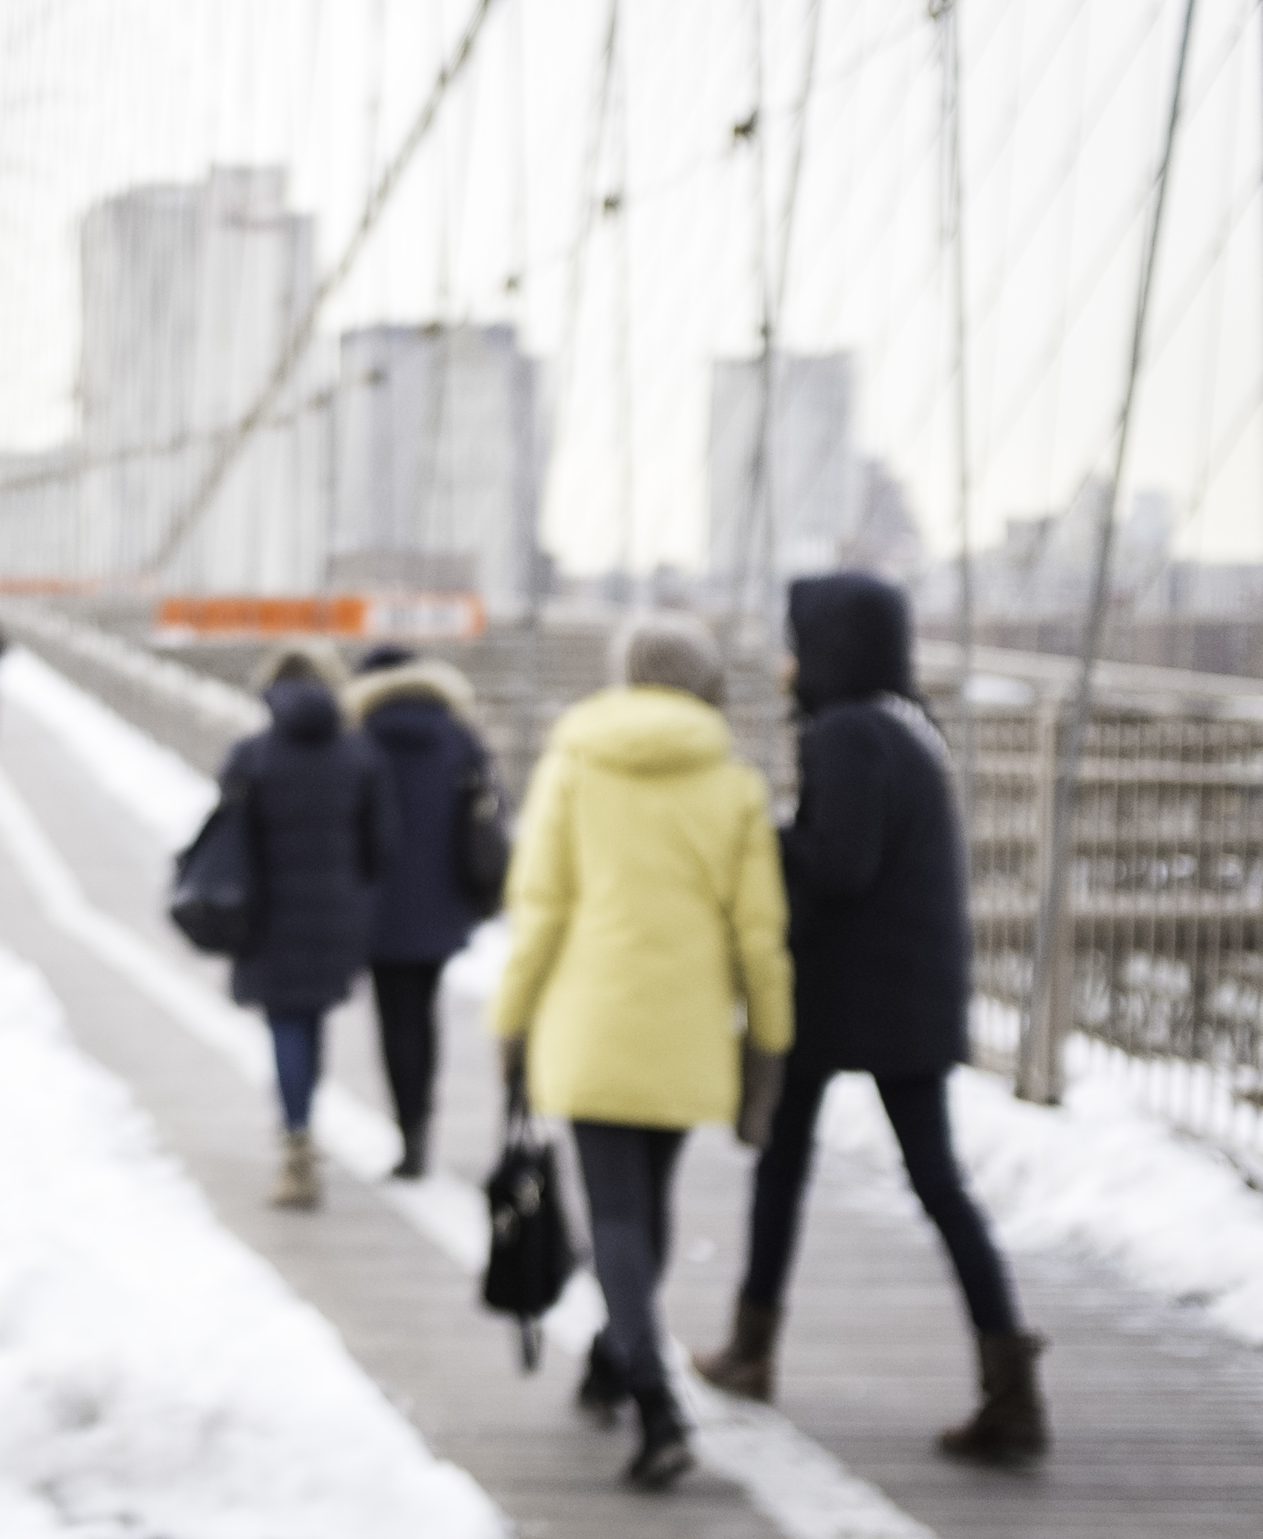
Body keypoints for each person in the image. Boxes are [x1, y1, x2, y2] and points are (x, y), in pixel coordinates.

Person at [698, 573, 1046, 1463]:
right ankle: (1009, 1380)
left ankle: (751, 1347)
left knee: (783, 1165)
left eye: (796, 640)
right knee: (938, 1182)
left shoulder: (844, 733)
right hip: (910, 994)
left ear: (828, 646)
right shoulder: (906, 729)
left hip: (844, 993)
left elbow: (838, 866)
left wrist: (760, 838)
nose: (784, 660)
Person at [490, 613, 792, 1490]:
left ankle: (655, 1402)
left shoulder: (574, 764)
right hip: (688, 1033)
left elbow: (539, 908)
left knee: (619, 1215)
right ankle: (607, 1359)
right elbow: (760, 937)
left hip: (588, 1026)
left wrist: (510, 1024)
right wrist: (767, 1050)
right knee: (644, 1208)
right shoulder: (734, 784)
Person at [221, 640, 395, 1211]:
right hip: (335, 913)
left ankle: (295, 1140)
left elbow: (228, 840)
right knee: (312, 1021)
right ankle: (303, 1122)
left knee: (284, 1025)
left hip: (266, 913)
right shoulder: (359, 754)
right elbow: (382, 848)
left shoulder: (252, 755)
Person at [347, 644, 491, 1179]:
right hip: (443, 902)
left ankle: (411, 1130)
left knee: (394, 1020)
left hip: (379, 905)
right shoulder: (458, 735)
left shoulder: (361, 737)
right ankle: (423, 1118)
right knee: (424, 1015)